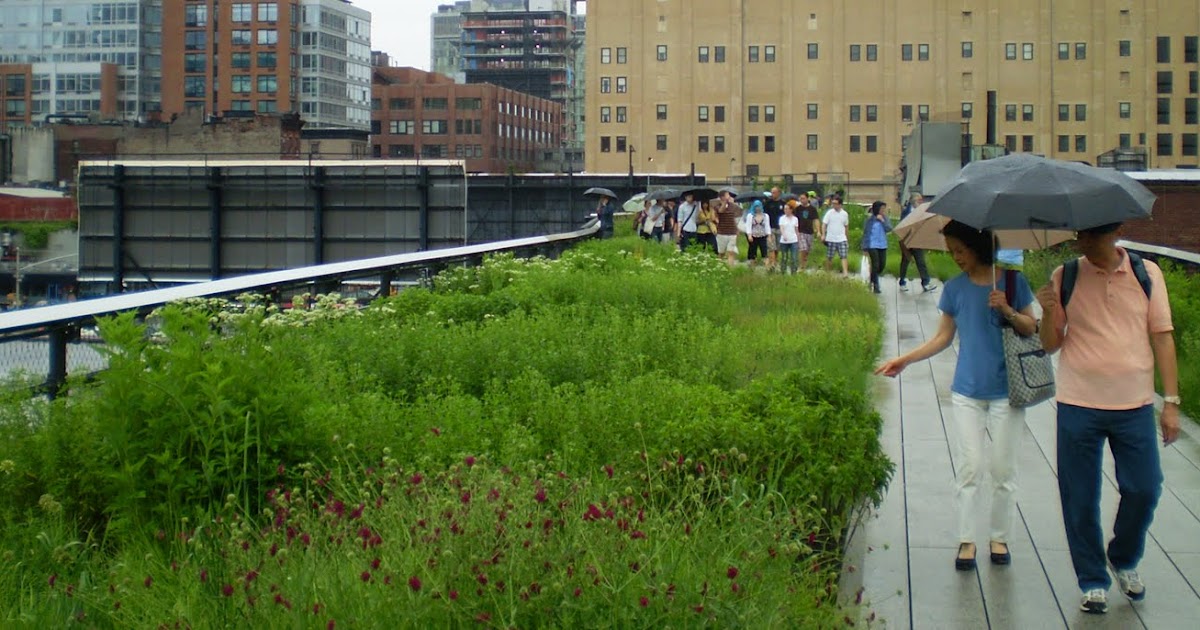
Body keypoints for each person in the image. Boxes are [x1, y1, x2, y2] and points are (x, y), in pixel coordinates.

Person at [876, 220, 1037, 574]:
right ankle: (966, 538)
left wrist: (1007, 310)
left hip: (1007, 392)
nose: (956, 258)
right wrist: (904, 359)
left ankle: (999, 537)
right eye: (951, 252)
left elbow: (1031, 328)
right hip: (966, 391)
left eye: (960, 251)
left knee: (1002, 469)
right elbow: (942, 338)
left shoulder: (1013, 282)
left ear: (978, 247)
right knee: (970, 467)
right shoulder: (955, 289)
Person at [1035, 222, 1180, 615]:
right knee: (1079, 497)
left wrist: (1171, 401)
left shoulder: (1146, 273)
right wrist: (1048, 312)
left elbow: (1162, 336)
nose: (1083, 240)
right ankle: (1092, 579)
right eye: (1080, 234)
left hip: (1134, 404)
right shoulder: (1065, 275)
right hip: (1078, 402)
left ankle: (1123, 555)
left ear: (1114, 233)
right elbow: (1050, 344)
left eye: (1092, 234)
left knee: (1145, 488)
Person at [898, 195, 938, 292]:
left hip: (917, 240)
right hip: (907, 240)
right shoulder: (906, 211)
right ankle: (902, 282)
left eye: (921, 200)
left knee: (921, 262)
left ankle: (925, 282)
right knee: (905, 261)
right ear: (913, 201)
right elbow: (902, 225)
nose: (920, 202)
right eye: (919, 200)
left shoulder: (922, 211)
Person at [862, 201, 892, 294]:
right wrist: (864, 247)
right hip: (872, 244)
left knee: (881, 265)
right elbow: (866, 233)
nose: (883, 211)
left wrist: (882, 221)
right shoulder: (870, 220)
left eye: (884, 209)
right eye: (881, 209)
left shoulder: (885, 218)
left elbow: (889, 228)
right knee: (875, 264)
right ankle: (876, 285)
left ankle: (872, 279)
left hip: (882, 244)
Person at [822, 195, 851, 276]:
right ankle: (827, 272)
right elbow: (824, 224)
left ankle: (845, 273)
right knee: (829, 257)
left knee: (843, 256)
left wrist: (847, 238)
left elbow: (846, 226)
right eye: (833, 203)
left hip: (841, 238)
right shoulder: (829, 213)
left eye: (835, 203)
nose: (833, 205)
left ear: (840, 204)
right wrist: (823, 235)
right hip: (831, 238)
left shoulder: (844, 214)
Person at [713, 190, 742, 266]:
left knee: (731, 252)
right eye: (727, 195)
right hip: (722, 233)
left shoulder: (732, 206)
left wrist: (737, 229)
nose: (729, 197)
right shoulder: (717, 206)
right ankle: (719, 267)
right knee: (721, 253)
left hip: (732, 232)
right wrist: (724, 203)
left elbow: (738, 213)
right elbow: (720, 211)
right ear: (722, 197)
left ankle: (731, 269)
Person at [795, 192, 823, 270]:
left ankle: (804, 263)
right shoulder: (797, 209)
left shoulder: (812, 209)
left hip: (809, 232)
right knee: (803, 248)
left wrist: (818, 231)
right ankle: (801, 266)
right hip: (800, 231)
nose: (801, 200)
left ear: (807, 199)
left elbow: (816, 220)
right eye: (800, 198)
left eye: (803, 198)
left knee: (807, 250)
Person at [764, 187, 785, 271]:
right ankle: (772, 263)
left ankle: (776, 261)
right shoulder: (768, 203)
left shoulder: (783, 203)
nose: (772, 194)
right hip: (770, 228)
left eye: (774, 192)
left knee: (777, 248)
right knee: (771, 247)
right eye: (772, 192)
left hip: (780, 228)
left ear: (778, 193)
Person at [744, 200, 770, 267]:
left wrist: (769, 235)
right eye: (756, 207)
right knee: (753, 252)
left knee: (764, 252)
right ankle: (752, 267)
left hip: (763, 236)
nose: (757, 208)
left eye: (759, 206)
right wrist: (749, 235)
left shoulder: (765, 216)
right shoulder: (750, 216)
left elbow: (767, 226)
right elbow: (748, 226)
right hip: (753, 236)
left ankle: (767, 268)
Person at [778, 202, 801, 274]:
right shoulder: (782, 218)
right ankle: (783, 272)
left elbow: (796, 230)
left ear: (791, 210)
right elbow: (781, 228)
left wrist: (798, 239)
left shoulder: (795, 219)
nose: (785, 210)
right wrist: (783, 235)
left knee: (794, 258)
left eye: (787, 209)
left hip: (793, 240)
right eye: (784, 209)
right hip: (784, 241)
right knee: (784, 257)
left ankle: (793, 272)